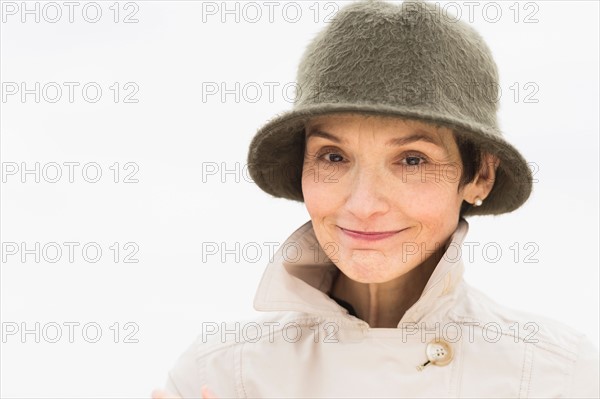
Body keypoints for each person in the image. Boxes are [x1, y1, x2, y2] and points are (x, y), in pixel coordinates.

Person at [152, 0, 600, 397]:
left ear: (479, 175)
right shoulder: (220, 375)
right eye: (333, 156)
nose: (363, 205)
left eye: (411, 160)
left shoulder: (557, 378)